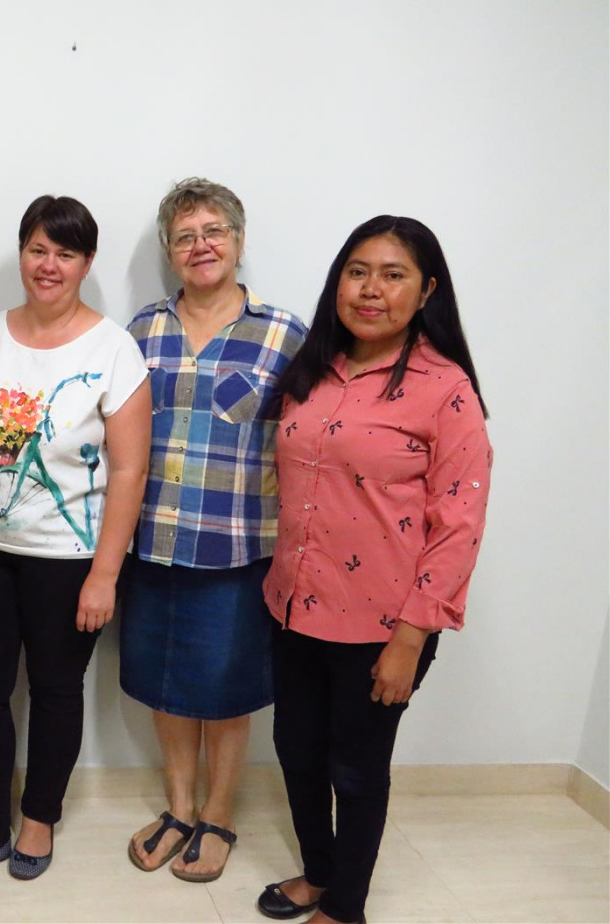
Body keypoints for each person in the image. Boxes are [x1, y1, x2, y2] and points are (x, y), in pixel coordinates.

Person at [256, 216, 491, 924]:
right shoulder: (312, 369)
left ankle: (346, 906)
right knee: (296, 751)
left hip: (383, 624)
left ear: (427, 291)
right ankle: (319, 873)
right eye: (357, 272)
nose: (371, 289)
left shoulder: (446, 390)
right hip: (292, 604)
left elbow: (459, 525)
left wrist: (412, 638)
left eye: (393, 275)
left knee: (355, 770)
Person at [0, 195, 150, 884]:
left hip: (69, 560)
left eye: (65, 253)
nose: (49, 265)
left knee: (55, 690)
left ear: (87, 262)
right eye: (38, 250)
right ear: (21, 253)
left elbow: (130, 470)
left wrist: (105, 574)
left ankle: (39, 819)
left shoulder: (113, 349)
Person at [123, 178, 306, 882]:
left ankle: (220, 813)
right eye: (185, 236)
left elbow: (307, 443)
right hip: (152, 541)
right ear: (170, 251)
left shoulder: (284, 334)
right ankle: (179, 808)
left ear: (238, 240)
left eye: (213, 232)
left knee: (226, 692)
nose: (200, 246)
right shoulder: (141, 331)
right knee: (166, 683)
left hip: (238, 548)